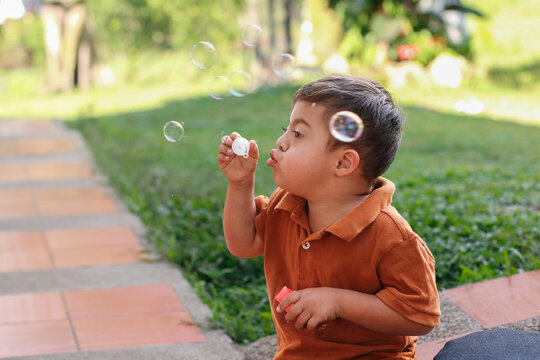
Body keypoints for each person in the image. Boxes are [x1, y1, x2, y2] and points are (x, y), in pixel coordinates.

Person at [217, 75, 440, 359]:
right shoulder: (285, 206)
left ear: (343, 163)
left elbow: (421, 316)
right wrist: (239, 183)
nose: (281, 142)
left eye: (297, 134)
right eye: (287, 128)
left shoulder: (391, 235)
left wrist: (338, 302)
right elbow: (242, 243)